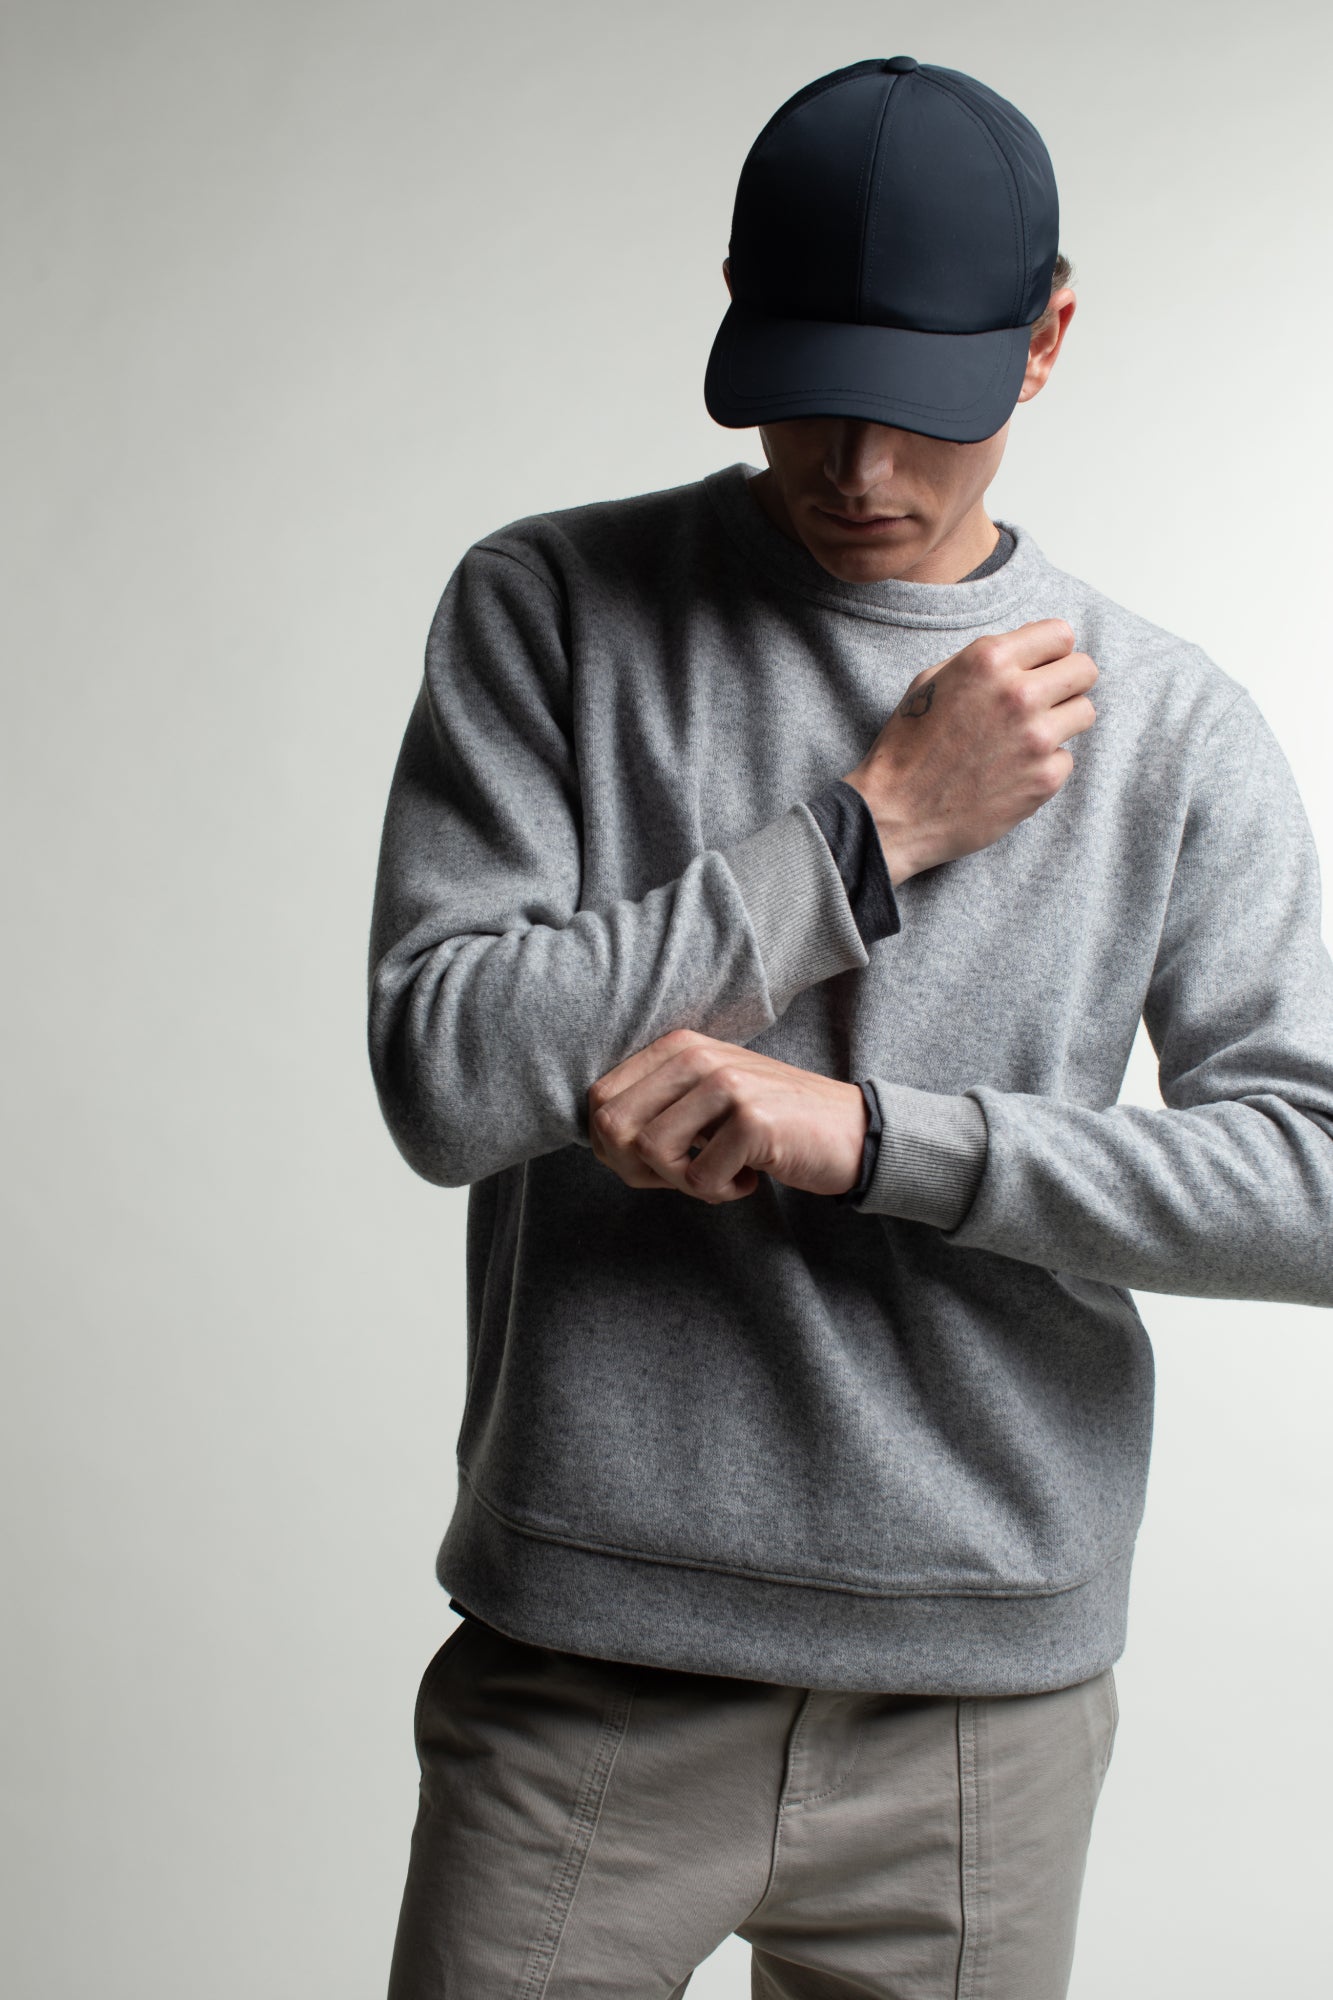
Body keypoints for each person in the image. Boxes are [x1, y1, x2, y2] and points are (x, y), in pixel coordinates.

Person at [367, 55, 1333, 2000]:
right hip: (587, 1673)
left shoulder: (1167, 724)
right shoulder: (552, 607)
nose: (861, 467)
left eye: (925, 405)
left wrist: (871, 1138)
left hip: (979, 1713)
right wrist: (865, 834)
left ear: (1045, 341)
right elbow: (448, 1073)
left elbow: (1312, 1185)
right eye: (809, 389)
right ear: (736, 309)